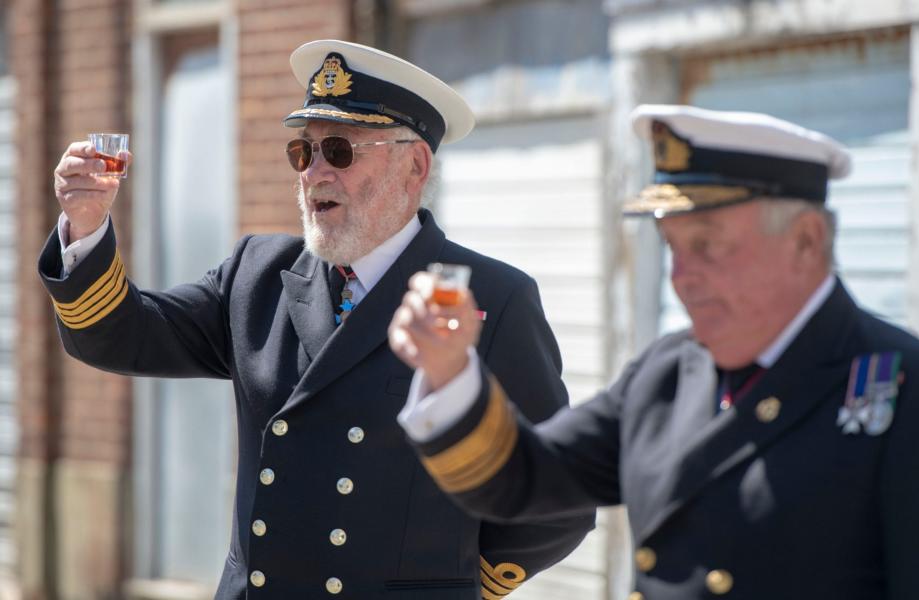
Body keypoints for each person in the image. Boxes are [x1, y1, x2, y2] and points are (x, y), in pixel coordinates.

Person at [41, 39, 593, 599]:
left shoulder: (491, 299)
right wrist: (85, 230)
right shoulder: (257, 274)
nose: (315, 173)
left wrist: (448, 584)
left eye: (341, 151)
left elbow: (557, 503)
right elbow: (120, 337)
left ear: (415, 166)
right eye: (303, 153)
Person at [389, 105, 919, 599]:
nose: (682, 278)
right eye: (672, 248)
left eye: (708, 246)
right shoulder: (669, 371)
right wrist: (450, 369)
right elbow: (522, 480)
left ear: (807, 241)